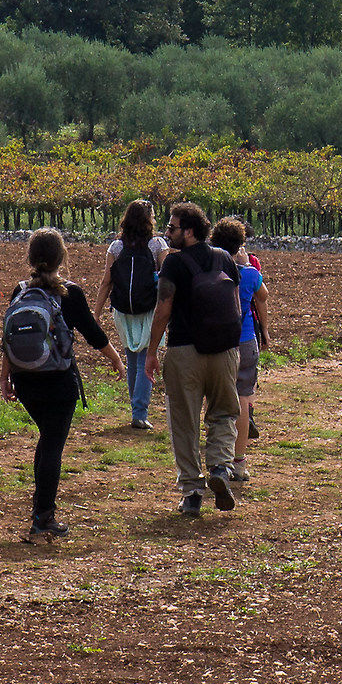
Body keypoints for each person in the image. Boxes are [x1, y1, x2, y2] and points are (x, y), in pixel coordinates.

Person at [0, 229, 112, 542]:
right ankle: (42, 518)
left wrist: (5, 377)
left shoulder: (20, 290)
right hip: (59, 382)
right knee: (52, 445)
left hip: (25, 381)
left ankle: (42, 511)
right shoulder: (69, 292)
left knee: (46, 440)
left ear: (30, 258)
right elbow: (92, 332)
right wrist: (117, 360)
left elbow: (8, 338)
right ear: (62, 257)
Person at [144, 203, 247, 515]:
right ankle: (219, 468)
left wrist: (151, 353)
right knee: (225, 413)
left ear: (188, 232)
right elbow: (236, 304)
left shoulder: (173, 265)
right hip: (224, 351)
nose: (167, 232)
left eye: (172, 228)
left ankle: (191, 492)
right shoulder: (225, 259)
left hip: (184, 351)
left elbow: (163, 310)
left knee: (184, 422)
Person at [97, 199, 168, 430]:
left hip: (123, 310)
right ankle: (139, 413)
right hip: (149, 309)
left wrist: (96, 313)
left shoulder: (116, 247)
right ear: (150, 220)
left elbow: (106, 282)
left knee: (132, 359)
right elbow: (167, 280)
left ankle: (135, 409)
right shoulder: (157, 245)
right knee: (145, 358)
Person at [210, 217, 270, 484]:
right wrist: (265, 331)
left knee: (218, 401)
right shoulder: (248, 273)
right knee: (244, 401)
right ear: (239, 246)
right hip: (246, 341)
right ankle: (239, 463)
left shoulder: (211, 272)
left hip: (219, 342)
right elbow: (263, 296)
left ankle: (217, 460)